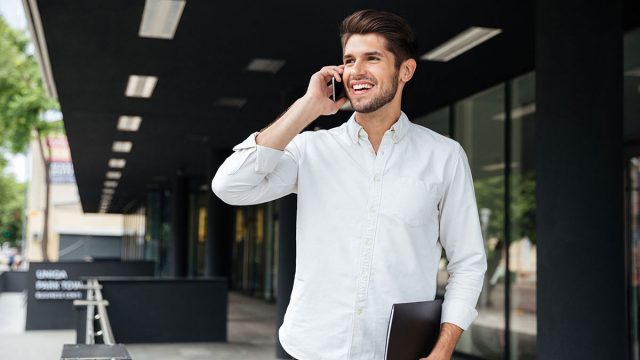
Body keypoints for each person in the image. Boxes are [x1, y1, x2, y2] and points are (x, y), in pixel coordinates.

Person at [212, 9, 487, 360]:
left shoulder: (444, 156)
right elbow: (230, 186)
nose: (356, 70)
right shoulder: (311, 149)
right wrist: (307, 108)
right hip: (309, 350)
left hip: (397, 353)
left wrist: (443, 347)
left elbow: (468, 261)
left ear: (406, 70)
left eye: (372, 58)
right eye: (349, 60)